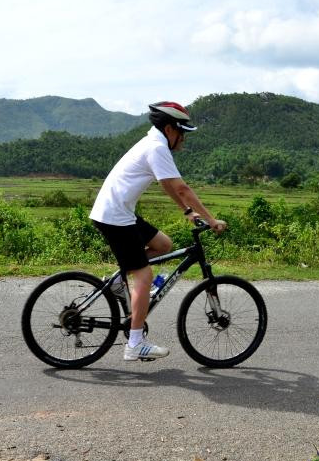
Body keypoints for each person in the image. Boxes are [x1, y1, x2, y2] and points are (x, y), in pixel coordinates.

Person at [90, 101, 227, 361]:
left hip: (118, 212)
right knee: (144, 275)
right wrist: (210, 219)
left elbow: (168, 186)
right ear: (168, 128)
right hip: (115, 216)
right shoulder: (157, 147)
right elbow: (182, 188)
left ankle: (118, 281)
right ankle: (135, 343)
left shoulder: (154, 143)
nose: (183, 138)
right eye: (181, 132)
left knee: (164, 244)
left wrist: (187, 212)